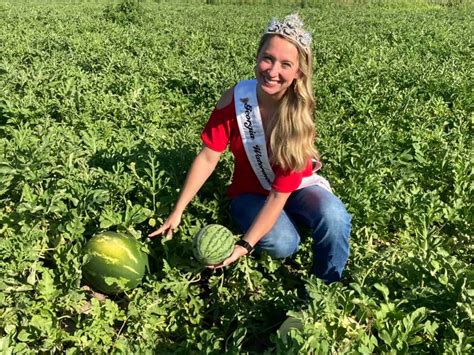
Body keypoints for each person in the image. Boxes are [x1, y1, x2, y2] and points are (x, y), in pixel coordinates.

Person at [149, 14, 351, 284]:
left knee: (335, 216)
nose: (272, 71)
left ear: (298, 72)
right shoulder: (236, 98)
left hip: (293, 189)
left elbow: (280, 195)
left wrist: (244, 245)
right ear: (257, 57)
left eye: (285, 64)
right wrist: (178, 210)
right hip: (249, 193)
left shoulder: (299, 116)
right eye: (268, 58)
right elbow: (209, 157)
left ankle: (324, 287)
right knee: (283, 244)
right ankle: (280, 225)